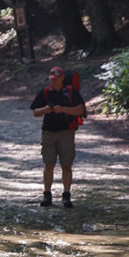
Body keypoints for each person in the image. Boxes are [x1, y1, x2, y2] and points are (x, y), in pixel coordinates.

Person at [30, 65, 86, 208]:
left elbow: (81, 110)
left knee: (66, 165)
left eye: (56, 79)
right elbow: (35, 112)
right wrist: (46, 110)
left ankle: (66, 196)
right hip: (48, 132)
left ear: (62, 78)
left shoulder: (71, 92)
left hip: (66, 132)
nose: (53, 82)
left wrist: (64, 109)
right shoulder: (45, 92)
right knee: (49, 164)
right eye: (52, 79)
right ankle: (47, 195)